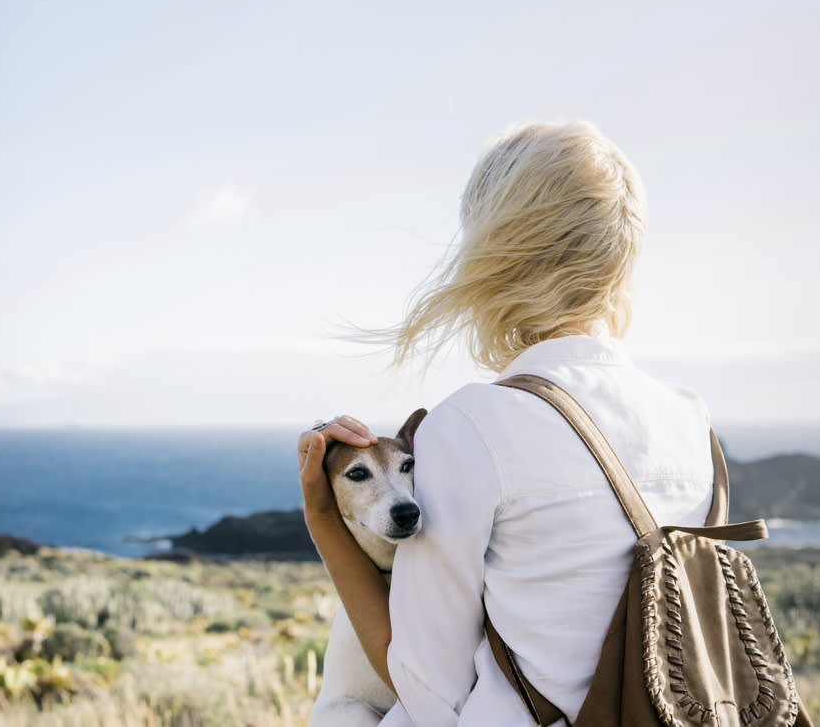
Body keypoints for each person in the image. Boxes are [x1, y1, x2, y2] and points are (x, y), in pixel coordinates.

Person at [297, 121, 716, 726]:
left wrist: (321, 516)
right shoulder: (690, 419)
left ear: (497, 251)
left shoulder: (471, 424)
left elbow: (428, 692)